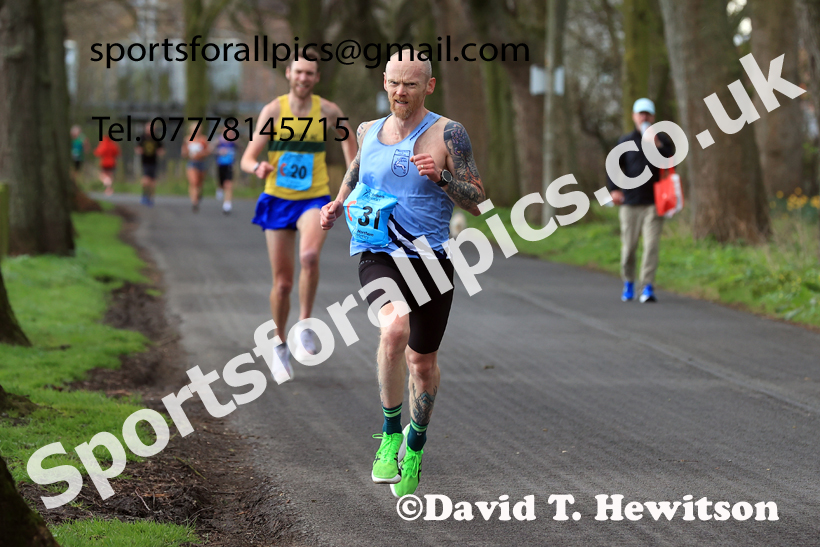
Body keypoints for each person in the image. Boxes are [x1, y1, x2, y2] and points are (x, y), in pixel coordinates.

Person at [320, 50, 485, 498]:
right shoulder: (367, 130)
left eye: (410, 84)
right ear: (385, 82)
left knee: (422, 364)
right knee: (393, 328)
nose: (400, 91)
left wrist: (443, 179)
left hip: (431, 259)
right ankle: (390, 435)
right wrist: (338, 203)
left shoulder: (449, 133)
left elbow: (478, 201)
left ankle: (415, 445)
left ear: (428, 86)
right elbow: (357, 171)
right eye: (394, 82)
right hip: (378, 252)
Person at [240, 49, 357, 374]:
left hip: (313, 199)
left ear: (316, 78)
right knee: (283, 284)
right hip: (278, 199)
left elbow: (351, 146)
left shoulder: (329, 111)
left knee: (309, 257)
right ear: (289, 74)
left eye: (309, 73)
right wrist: (257, 167)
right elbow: (247, 157)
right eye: (299, 72)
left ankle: (304, 325)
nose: (303, 78)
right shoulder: (273, 111)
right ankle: (279, 345)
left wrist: (354, 180)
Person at [606, 98, 675, 303]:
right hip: (629, 203)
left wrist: (657, 145)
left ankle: (647, 286)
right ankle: (629, 282)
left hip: (654, 203)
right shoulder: (625, 141)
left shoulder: (662, 141)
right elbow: (613, 166)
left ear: (653, 117)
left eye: (647, 113)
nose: (644, 117)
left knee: (651, 246)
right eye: (640, 113)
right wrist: (613, 190)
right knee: (629, 248)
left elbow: (670, 163)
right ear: (634, 116)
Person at [182, 123, 209, 213]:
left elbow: (208, 151)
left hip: (201, 163)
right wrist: (187, 153)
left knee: (199, 183)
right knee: (194, 182)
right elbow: (184, 152)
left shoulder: (203, 139)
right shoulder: (187, 139)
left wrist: (200, 154)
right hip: (192, 163)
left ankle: (198, 195)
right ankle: (194, 202)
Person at [136, 122, 165, 206]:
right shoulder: (142, 137)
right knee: (146, 179)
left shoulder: (157, 138)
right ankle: (144, 195)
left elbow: (162, 149)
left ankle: (150, 198)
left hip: (154, 162)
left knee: (152, 181)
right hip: (145, 161)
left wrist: (160, 152)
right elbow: (137, 148)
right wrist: (139, 151)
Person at [214, 135, 236, 215]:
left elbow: (243, 149)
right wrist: (219, 151)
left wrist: (237, 142)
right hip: (221, 164)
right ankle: (220, 188)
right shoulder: (219, 140)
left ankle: (227, 205)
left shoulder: (233, 141)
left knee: (228, 184)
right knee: (221, 182)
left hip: (230, 165)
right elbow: (211, 149)